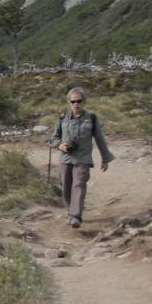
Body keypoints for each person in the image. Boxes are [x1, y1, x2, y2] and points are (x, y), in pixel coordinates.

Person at [49, 87, 113, 228]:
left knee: (78, 185)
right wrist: (60, 145)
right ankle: (71, 212)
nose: (76, 104)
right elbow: (53, 138)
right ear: (69, 102)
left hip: (83, 160)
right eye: (73, 101)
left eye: (79, 101)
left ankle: (75, 216)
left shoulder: (91, 118)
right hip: (65, 159)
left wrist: (105, 158)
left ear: (84, 102)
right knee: (66, 187)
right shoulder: (62, 117)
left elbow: (100, 139)